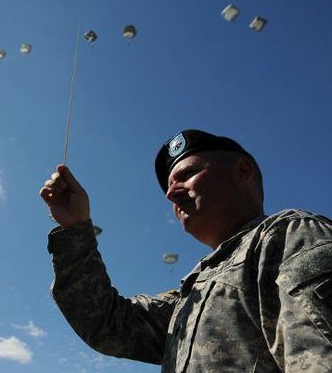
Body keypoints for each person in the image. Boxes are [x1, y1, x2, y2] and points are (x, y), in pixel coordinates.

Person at [39, 129, 332, 372]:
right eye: (168, 185)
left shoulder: (291, 235)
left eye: (187, 174)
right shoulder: (190, 296)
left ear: (242, 170)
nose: (171, 192)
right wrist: (75, 228)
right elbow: (106, 323)